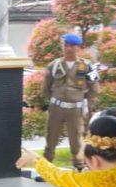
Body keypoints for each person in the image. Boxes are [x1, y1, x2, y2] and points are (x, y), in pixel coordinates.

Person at [42, 33, 99, 171]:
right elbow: (46, 87)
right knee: (51, 138)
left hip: (75, 110)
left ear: (78, 47)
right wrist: (54, 100)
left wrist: (83, 101)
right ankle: (46, 167)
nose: (68, 48)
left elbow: (95, 88)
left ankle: (79, 166)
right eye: (66, 45)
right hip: (56, 109)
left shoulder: (87, 66)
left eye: (72, 46)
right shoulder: (54, 65)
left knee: (76, 140)